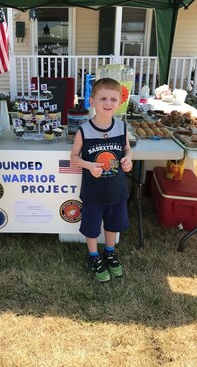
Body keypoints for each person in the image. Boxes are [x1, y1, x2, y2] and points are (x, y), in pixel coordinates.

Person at [70, 78, 133, 283]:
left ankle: (109, 251)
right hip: (93, 192)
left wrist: (128, 160)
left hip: (116, 190)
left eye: (113, 99)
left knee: (112, 224)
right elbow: (74, 157)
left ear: (120, 101)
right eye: (103, 98)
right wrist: (89, 166)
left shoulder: (122, 128)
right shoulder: (84, 130)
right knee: (91, 226)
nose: (108, 103)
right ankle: (93, 256)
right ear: (92, 101)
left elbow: (127, 149)